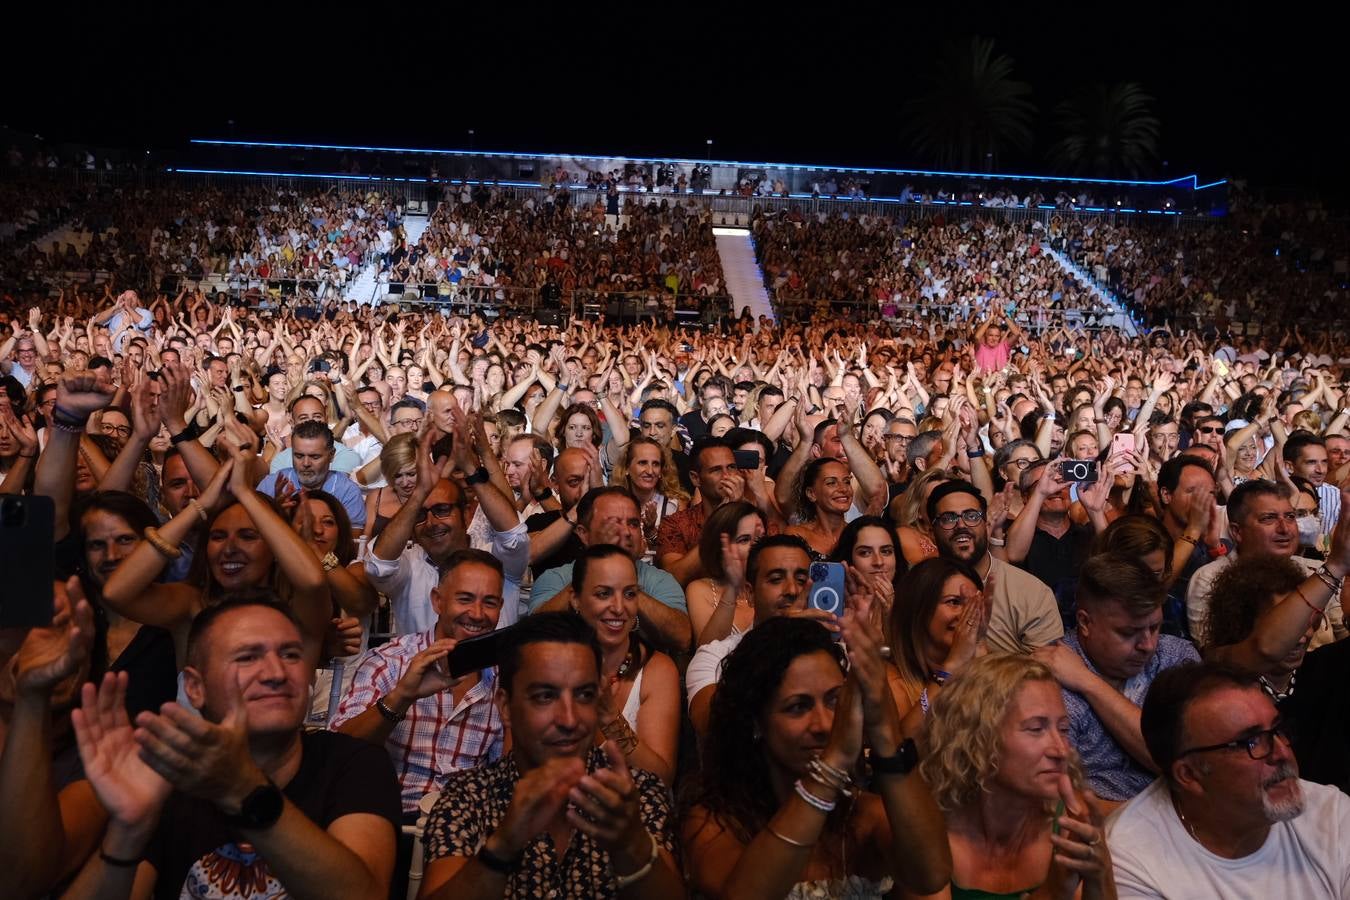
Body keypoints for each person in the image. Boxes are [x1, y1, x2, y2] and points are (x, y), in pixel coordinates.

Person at [61, 598, 401, 899]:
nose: (276, 672)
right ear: (195, 688)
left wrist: (243, 790)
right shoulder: (169, 783)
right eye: (247, 657)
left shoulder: (352, 762)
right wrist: (127, 831)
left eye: (291, 654)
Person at [417, 612, 685, 899]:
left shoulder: (635, 793)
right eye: (545, 696)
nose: (569, 719)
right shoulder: (468, 797)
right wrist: (503, 846)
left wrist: (632, 845)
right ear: (505, 707)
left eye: (584, 695)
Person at [682, 615, 952, 899]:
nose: (824, 725)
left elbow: (931, 876)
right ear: (756, 722)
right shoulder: (714, 822)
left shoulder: (866, 816)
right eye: (798, 707)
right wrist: (832, 764)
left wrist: (886, 734)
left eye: (835, 700)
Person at [1109, 662, 1350, 899]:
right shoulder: (1131, 862)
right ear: (1190, 775)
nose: (1282, 754)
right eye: (1252, 741)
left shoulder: (1331, 815)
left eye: (1278, 730)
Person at [921, 654, 1115, 900]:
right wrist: (1054, 892)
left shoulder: (1072, 823)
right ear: (978, 738)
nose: (1061, 750)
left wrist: (1099, 879)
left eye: (1063, 729)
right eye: (1036, 729)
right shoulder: (929, 830)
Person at [331, 548, 505, 816]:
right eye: (465, 599)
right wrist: (401, 696)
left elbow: (506, 779)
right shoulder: (389, 661)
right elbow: (337, 753)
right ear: (438, 601)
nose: (477, 613)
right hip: (387, 823)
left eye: (490, 602)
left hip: (467, 830)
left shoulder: (505, 677)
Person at [1033, 553, 1200, 807]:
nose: (1148, 645)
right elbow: (1056, 800)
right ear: (1085, 622)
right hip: (1103, 832)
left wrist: (1087, 682)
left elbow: (1190, 763)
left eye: (1155, 627)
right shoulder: (1046, 681)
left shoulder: (1177, 658)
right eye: (1129, 632)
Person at [528, 486, 692, 654]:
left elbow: (682, 639)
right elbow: (533, 635)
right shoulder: (556, 578)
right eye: (613, 523)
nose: (627, 532)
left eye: (633, 524)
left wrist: (625, 586)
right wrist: (591, 576)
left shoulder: (660, 580)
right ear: (584, 534)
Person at [567, 544, 680, 783]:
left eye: (629, 594)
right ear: (576, 600)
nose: (619, 608)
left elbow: (661, 779)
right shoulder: (553, 667)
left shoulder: (657, 669)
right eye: (603, 594)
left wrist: (609, 716)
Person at [1185, 479, 1344, 647]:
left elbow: (1342, 630)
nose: (1284, 528)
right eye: (1269, 518)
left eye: (1290, 517)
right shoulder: (1210, 580)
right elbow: (1213, 655)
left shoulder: (1315, 572)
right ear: (1237, 532)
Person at [928, 480, 1063, 653]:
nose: (961, 525)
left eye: (972, 516)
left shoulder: (1031, 591)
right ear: (932, 532)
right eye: (948, 518)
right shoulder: (920, 590)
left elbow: (1045, 672)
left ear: (986, 524)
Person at [886, 557, 990, 740]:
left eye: (974, 603)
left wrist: (980, 652)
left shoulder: (982, 663)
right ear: (919, 608)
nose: (967, 613)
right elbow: (907, 746)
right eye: (954, 602)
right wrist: (953, 665)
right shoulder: (890, 681)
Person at [656, 436, 774, 586]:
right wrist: (723, 517)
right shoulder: (676, 524)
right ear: (695, 478)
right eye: (716, 470)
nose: (727, 476)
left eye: (731, 467)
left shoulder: (758, 520)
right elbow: (674, 579)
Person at [256, 420, 367, 529]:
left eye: (315, 457)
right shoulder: (271, 485)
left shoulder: (347, 492)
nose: (306, 463)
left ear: (332, 455)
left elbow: (354, 542)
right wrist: (275, 514)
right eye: (299, 456)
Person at [686, 500, 766, 646]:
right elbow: (705, 653)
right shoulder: (700, 590)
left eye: (759, 539)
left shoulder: (771, 587)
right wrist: (733, 588)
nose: (755, 547)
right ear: (721, 548)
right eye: (744, 540)